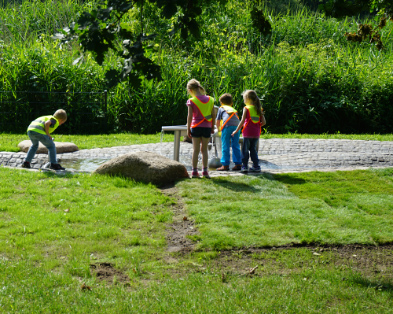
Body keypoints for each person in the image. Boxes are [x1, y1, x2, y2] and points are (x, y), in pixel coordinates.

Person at [186, 79, 215, 178]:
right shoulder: (210, 99)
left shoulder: (191, 101)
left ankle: (194, 172)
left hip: (196, 127)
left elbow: (189, 116)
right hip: (206, 127)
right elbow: (213, 115)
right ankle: (205, 171)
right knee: (204, 150)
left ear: (190, 90)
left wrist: (188, 129)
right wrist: (212, 126)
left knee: (195, 150)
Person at [231, 90, 265, 173]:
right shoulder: (259, 109)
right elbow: (264, 122)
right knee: (253, 149)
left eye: (244, 99)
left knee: (245, 150)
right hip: (256, 133)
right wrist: (256, 126)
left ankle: (245, 166)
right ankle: (256, 166)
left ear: (248, 99)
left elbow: (242, 121)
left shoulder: (246, 108)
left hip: (247, 133)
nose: (244, 101)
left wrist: (236, 131)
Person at [215, 93, 242, 171]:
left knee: (225, 145)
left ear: (221, 103)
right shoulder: (234, 110)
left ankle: (225, 165)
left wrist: (219, 129)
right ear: (231, 103)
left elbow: (218, 120)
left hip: (227, 127)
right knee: (235, 145)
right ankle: (238, 164)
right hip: (237, 127)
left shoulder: (221, 108)